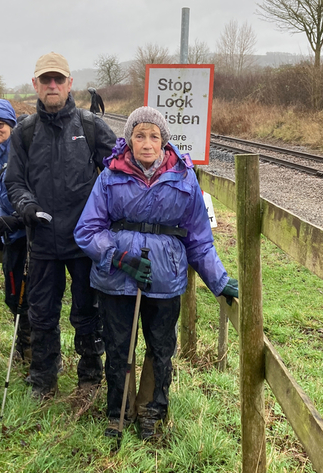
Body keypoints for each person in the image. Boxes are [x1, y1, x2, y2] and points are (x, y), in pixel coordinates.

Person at [74, 106, 238, 440]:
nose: (146, 143)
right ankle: (119, 413)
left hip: (165, 278)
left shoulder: (183, 177)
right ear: (129, 139)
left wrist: (219, 280)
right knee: (119, 347)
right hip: (116, 279)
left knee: (161, 348)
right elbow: (87, 230)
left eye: (153, 136)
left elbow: (198, 239)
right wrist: (118, 257)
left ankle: (151, 412)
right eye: (139, 135)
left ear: (163, 140)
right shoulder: (109, 176)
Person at [5, 51, 116, 400]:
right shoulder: (24, 133)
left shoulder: (90, 126)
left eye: (58, 79)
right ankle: (43, 379)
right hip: (42, 241)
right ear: (35, 85)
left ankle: (90, 378)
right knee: (41, 313)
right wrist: (27, 205)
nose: (52, 85)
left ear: (70, 84)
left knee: (88, 312)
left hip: (85, 242)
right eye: (45, 80)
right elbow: (14, 181)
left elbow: (119, 172)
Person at [0, 99, 31, 361]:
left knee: (30, 295)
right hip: (9, 236)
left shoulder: (24, 154)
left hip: (30, 237)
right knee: (12, 294)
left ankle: (38, 351)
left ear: (11, 124)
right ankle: (24, 343)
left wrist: (18, 220)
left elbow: (38, 195)